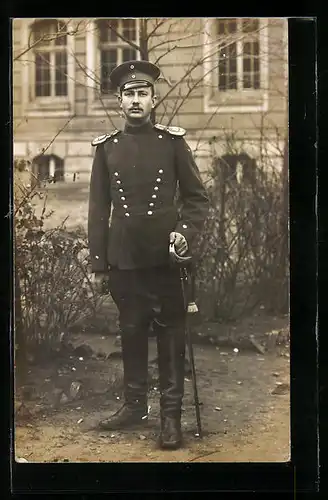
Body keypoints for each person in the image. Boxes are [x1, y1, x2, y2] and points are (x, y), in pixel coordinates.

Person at [88, 60, 209, 450]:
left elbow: (196, 198)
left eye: (143, 94)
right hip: (125, 258)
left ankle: (170, 418)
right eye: (129, 95)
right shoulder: (107, 149)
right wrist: (97, 262)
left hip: (166, 256)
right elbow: (97, 209)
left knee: (172, 335)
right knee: (131, 332)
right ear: (119, 102)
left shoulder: (172, 143)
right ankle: (134, 407)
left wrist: (185, 234)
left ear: (153, 100)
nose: (136, 100)